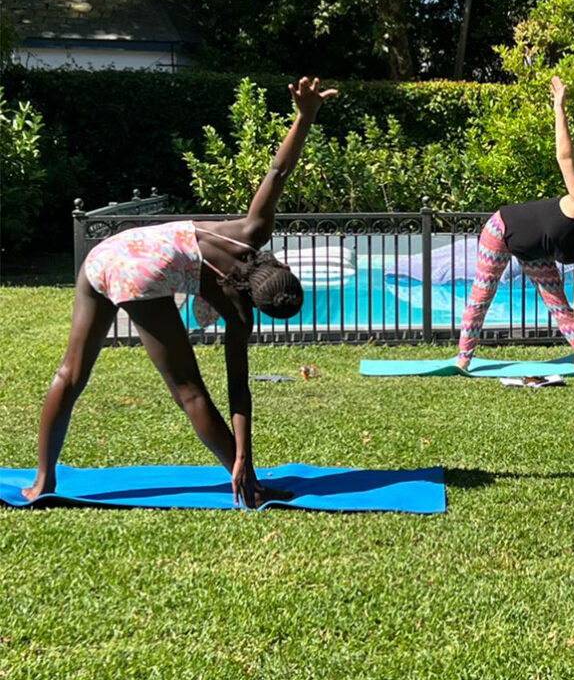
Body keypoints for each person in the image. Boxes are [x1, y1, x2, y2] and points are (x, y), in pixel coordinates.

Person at [21, 76, 337, 508]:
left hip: (107, 252)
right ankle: (249, 487)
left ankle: (42, 479)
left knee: (70, 374)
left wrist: (304, 117)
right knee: (188, 390)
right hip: (142, 272)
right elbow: (238, 389)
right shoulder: (239, 313)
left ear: (278, 264)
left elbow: (278, 171)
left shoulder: (251, 233)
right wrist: (243, 457)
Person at [455, 76, 574, 372]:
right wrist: (558, 106)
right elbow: (564, 158)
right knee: (482, 296)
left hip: (535, 254)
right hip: (502, 229)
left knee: (559, 304)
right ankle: (463, 359)